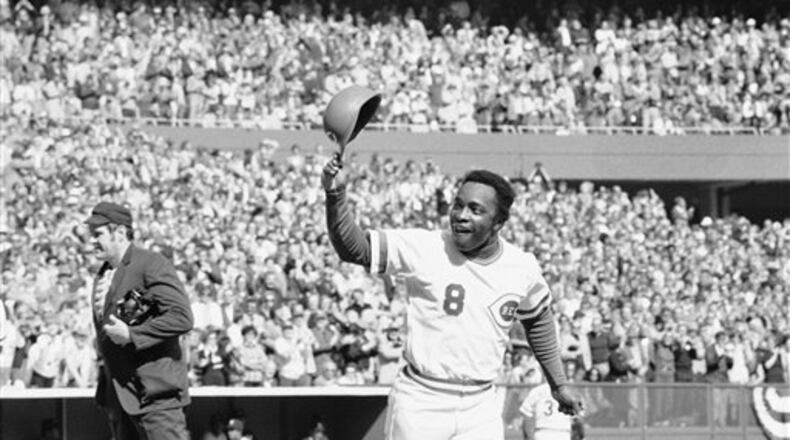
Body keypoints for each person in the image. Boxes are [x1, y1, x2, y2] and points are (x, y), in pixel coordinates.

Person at [322, 155, 582, 440]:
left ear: (499, 222)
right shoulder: (425, 246)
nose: (461, 215)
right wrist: (335, 194)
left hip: (481, 402)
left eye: (475, 209)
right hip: (422, 398)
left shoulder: (522, 266)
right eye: (458, 204)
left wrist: (558, 384)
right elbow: (354, 248)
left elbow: (539, 321)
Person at [85, 201, 194, 440]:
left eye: (98, 234)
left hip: (155, 394)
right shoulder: (103, 273)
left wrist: (133, 335)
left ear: (120, 232)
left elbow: (182, 317)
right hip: (120, 395)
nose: (92, 240)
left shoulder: (151, 263)